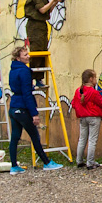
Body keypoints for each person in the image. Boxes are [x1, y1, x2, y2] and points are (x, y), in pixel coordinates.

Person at [8, 45, 63, 175]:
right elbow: (27, 94)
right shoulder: (25, 71)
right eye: (25, 55)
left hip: (13, 106)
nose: (28, 56)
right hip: (22, 108)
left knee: (15, 136)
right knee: (34, 135)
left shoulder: (12, 70)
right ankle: (46, 162)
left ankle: (14, 166)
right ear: (18, 57)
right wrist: (34, 114)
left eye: (27, 54)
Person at [23, 0, 64, 84]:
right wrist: (52, 0)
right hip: (35, 25)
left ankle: (39, 77)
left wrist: (55, 2)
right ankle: (33, 77)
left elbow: (47, 11)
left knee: (42, 49)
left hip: (41, 25)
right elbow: (42, 9)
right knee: (36, 50)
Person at [71, 69, 102, 169]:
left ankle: (79, 161)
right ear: (91, 79)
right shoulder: (93, 92)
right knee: (92, 140)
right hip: (93, 118)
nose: (96, 79)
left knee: (82, 139)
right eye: (95, 77)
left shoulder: (78, 91)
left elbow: (73, 104)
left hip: (83, 118)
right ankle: (90, 162)